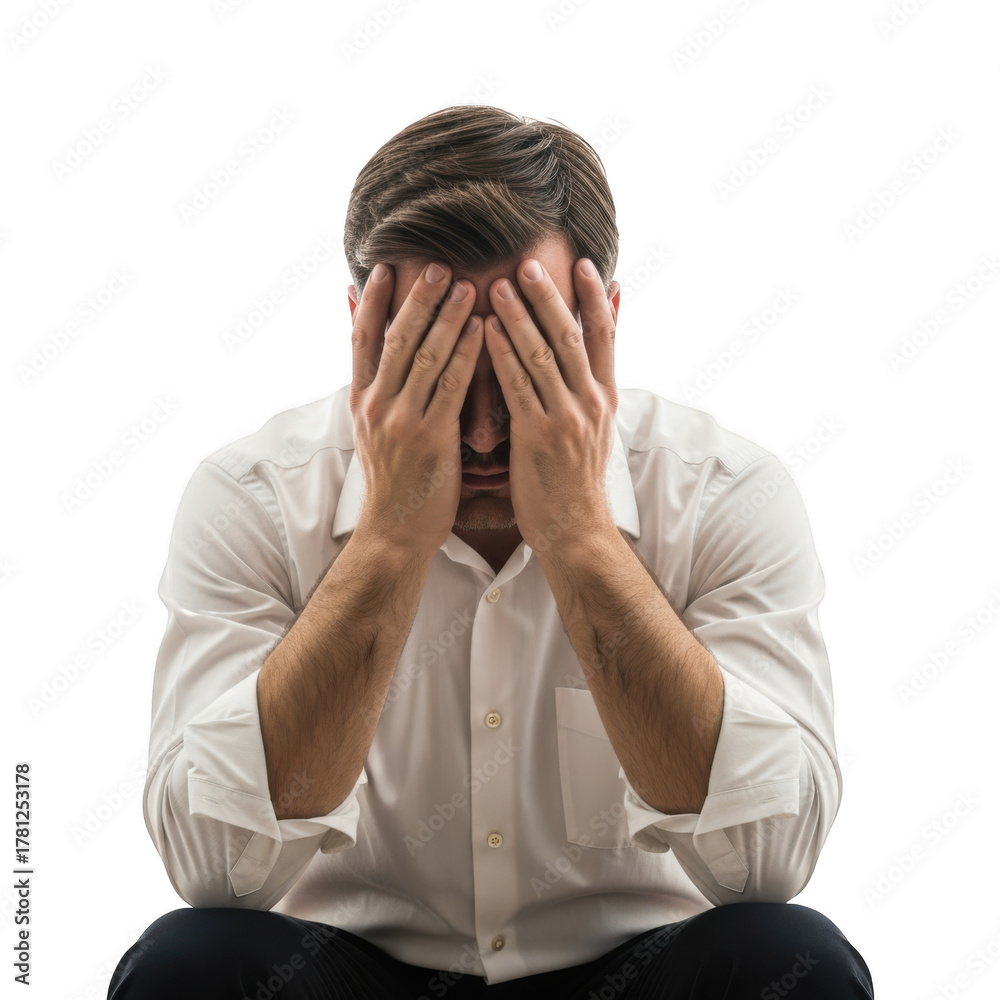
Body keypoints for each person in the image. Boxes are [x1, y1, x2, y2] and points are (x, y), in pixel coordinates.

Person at [109, 105, 874, 998]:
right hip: (356, 969)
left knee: (794, 956)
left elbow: (769, 863)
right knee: (188, 962)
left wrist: (581, 535)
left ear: (604, 324)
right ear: (362, 329)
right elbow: (214, 871)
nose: (478, 434)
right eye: (432, 367)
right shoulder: (254, 498)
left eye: (523, 365)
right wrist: (389, 537)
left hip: (632, 970)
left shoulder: (724, 494)